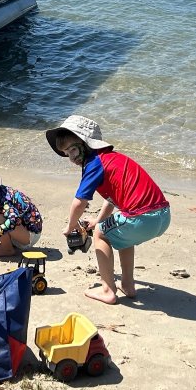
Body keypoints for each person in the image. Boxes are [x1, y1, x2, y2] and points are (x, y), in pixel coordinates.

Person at [46, 115, 171, 304]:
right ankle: (127, 285)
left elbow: (79, 202)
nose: (71, 157)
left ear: (87, 145)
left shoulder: (93, 164)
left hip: (142, 218)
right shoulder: (112, 159)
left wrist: (70, 227)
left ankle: (108, 289)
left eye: (73, 149)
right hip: (162, 215)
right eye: (66, 152)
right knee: (119, 234)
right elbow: (112, 199)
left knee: (100, 233)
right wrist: (98, 219)